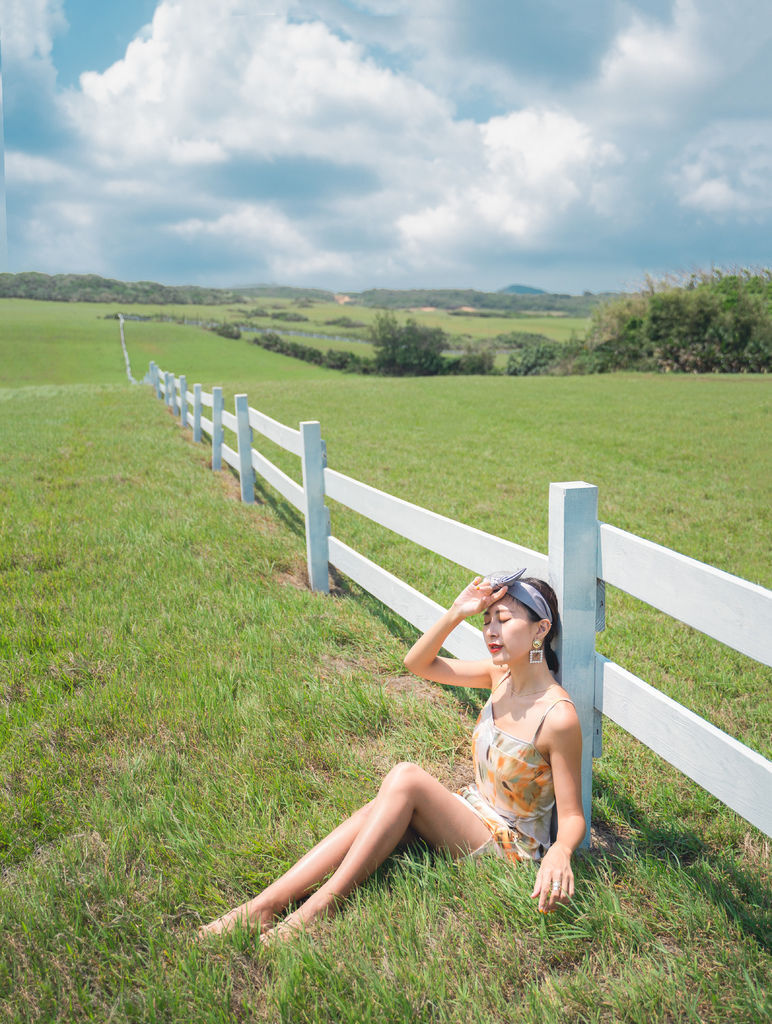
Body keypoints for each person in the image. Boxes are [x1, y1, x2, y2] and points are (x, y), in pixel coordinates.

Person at [198, 570, 584, 943]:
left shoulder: (558, 716)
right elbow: (418, 664)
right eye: (486, 621)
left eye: (503, 619)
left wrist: (562, 852)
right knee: (378, 809)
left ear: (541, 630)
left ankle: (317, 911)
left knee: (405, 778)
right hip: (471, 814)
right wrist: (456, 612)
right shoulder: (498, 676)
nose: (490, 631)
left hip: (510, 851)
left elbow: (570, 816)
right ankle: (265, 905)